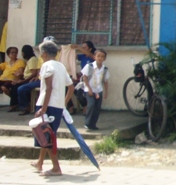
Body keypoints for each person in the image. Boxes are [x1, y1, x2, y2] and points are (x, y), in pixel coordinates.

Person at [32, 40, 73, 177]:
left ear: (44, 53)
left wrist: (43, 109)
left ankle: (56, 167)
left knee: (47, 136)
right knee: (46, 135)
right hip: (56, 106)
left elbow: (49, 88)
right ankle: (40, 162)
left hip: (48, 105)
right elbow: (71, 87)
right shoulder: (60, 66)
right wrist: (63, 103)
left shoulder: (47, 65)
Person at [82, 49, 109, 131]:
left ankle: (93, 124)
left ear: (104, 58)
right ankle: (87, 123)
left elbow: (105, 81)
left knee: (97, 108)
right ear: (94, 57)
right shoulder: (89, 66)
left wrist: (106, 92)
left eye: (102, 57)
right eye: (98, 56)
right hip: (89, 89)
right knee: (91, 105)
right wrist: (89, 89)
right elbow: (85, 78)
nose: (100, 58)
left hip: (99, 90)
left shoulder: (104, 69)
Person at [7, 45, 37, 112]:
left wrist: (23, 81)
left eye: (22, 52)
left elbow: (33, 73)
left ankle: (25, 106)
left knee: (18, 88)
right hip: (26, 78)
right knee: (13, 85)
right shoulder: (29, 60)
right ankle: (15, 104)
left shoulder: (32, 60)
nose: (22, 54)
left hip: (30, 80)